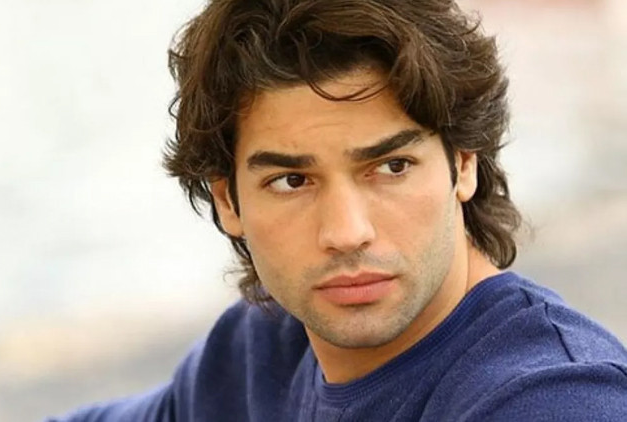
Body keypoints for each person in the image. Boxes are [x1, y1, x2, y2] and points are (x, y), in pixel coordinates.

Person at [48, 0, 627, 420]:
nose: (347, 232)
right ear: (227, 200)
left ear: (464, 162)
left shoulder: (552, 399)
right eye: (292, 180)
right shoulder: (264, 350)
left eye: (392, 167)